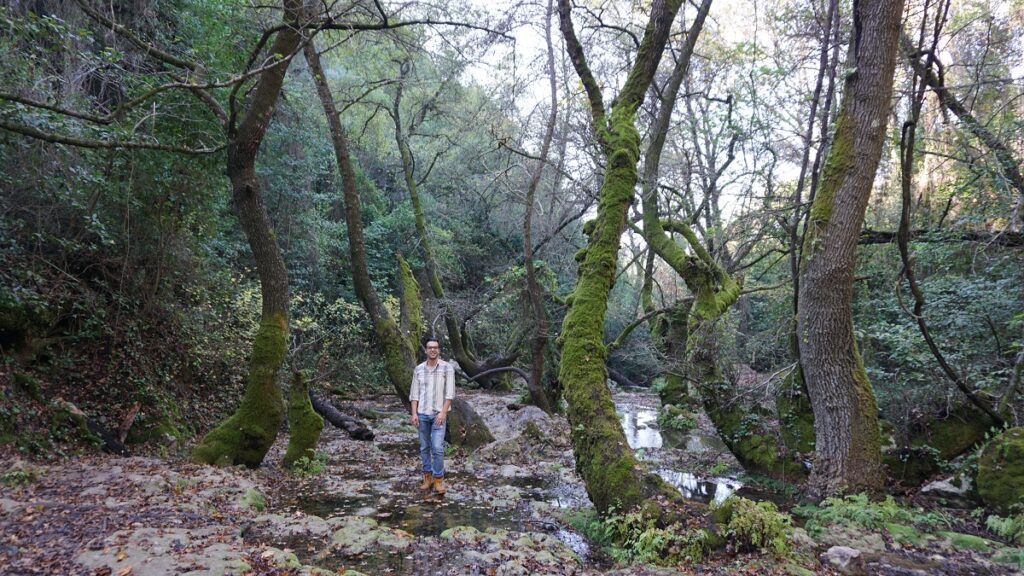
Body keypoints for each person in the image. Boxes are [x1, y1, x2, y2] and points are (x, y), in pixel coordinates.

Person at [409, 337, 455, 495]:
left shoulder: (447, 368)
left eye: (435, 347)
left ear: (439, 350)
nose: (433, 350)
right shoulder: (419, 369)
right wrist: (414, 413)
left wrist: (443, 412)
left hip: (438, 415)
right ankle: (427, 477)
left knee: (437, 448)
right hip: (422, 413)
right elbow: (414, 393)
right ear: (426, 350)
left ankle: (438, 479)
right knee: (424, 447)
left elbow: (450, 394)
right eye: (430, 347)